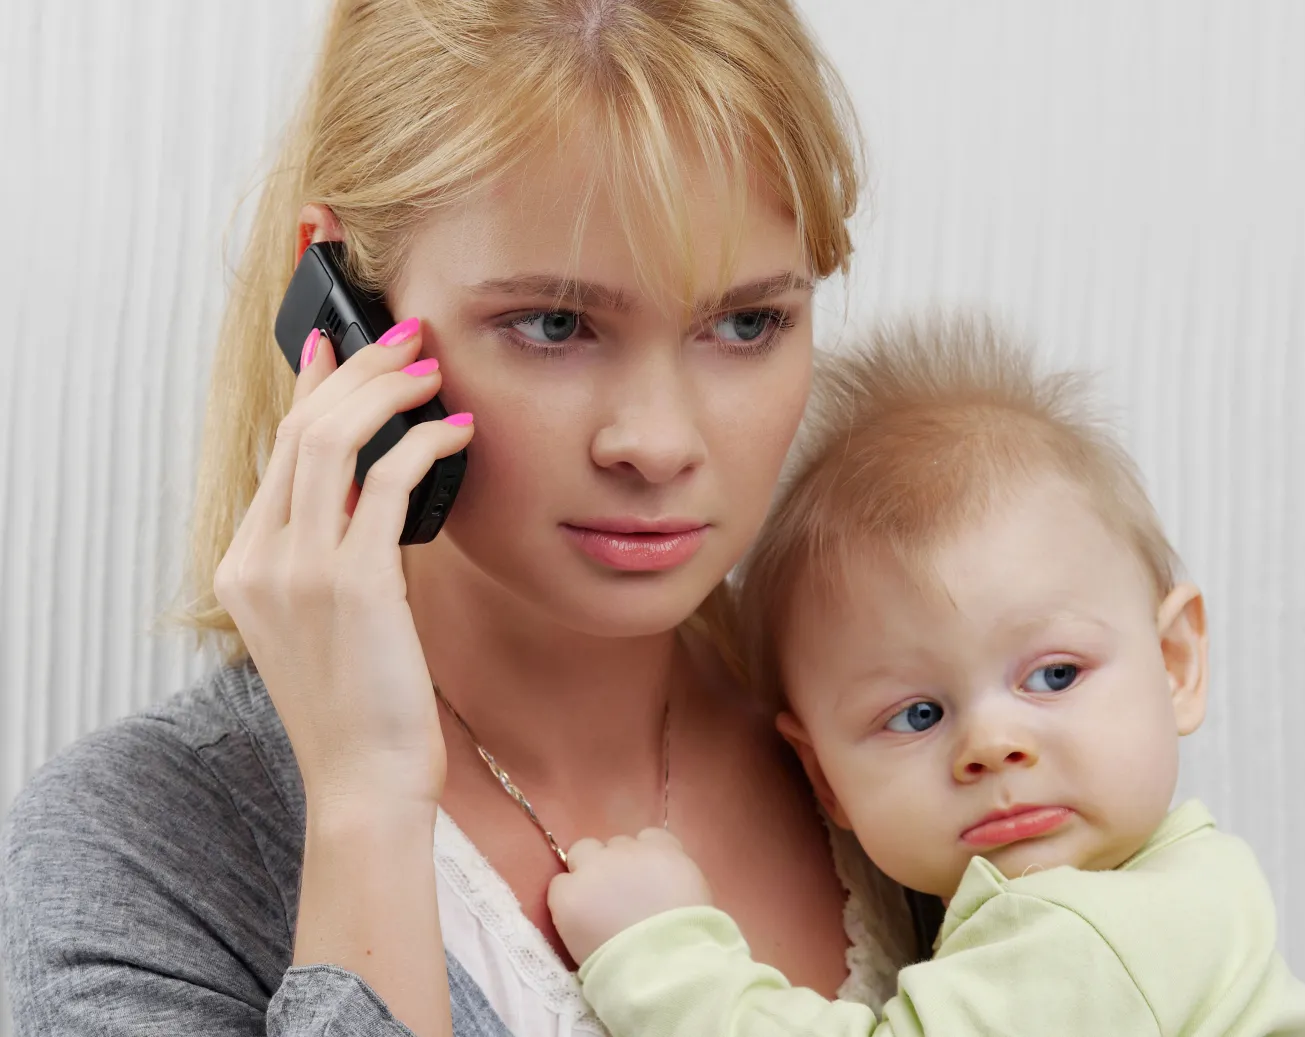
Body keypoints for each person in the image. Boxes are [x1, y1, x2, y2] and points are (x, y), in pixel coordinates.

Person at [0, 3, 928, 1036]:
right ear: (345, 301)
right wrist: (365, 808)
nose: (658, 441)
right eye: (553, 324)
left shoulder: (929, 703)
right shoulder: (141, 840)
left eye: (746, 322)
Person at [546, 317, 1305, 1035]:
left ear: (1176, 664)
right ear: (822, 774)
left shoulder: (1099, 934)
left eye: (1055, 674)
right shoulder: (1161, 894)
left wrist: (662, 955)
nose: (991, 745)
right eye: (917, 714)